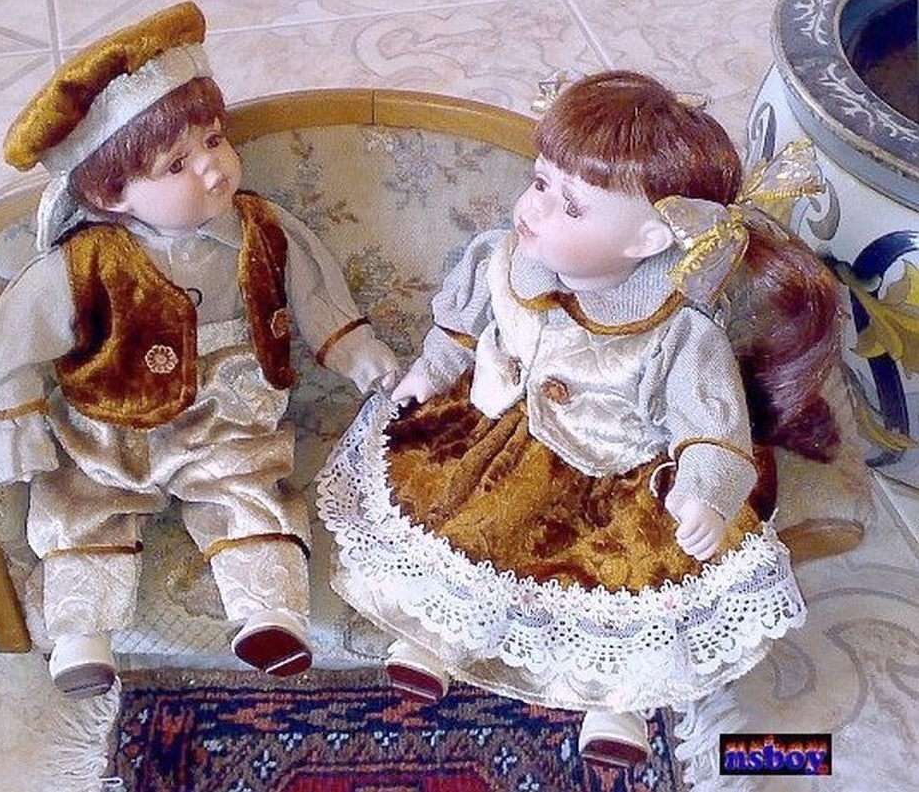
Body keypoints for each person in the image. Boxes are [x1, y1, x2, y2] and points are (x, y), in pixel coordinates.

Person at [318, 70, 841, 768]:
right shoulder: (504, 260)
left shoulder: (677, 334)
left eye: (570, 206)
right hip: (499, 439)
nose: (534, 208)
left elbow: (710, 421)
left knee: (622, 589)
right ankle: (436, 634)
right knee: (462, 531)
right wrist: (432, 371)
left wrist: (705, 491)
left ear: (647, 238)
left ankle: (617, 701)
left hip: (615, 478)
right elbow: (462, 328)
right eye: (540, 182)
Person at [0, 1, 399, 698]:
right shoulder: (85, 263)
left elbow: (316, 287)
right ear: (113, 193)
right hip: (112, 421)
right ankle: (82, 633)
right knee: (83, 500)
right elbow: (14, 336)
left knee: (249, 487)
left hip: (229, 411)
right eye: (177, 164)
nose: (212, 168)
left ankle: (270, 612)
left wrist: (355, 349)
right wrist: (15, 419)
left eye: (212, 140)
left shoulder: (262, 227)